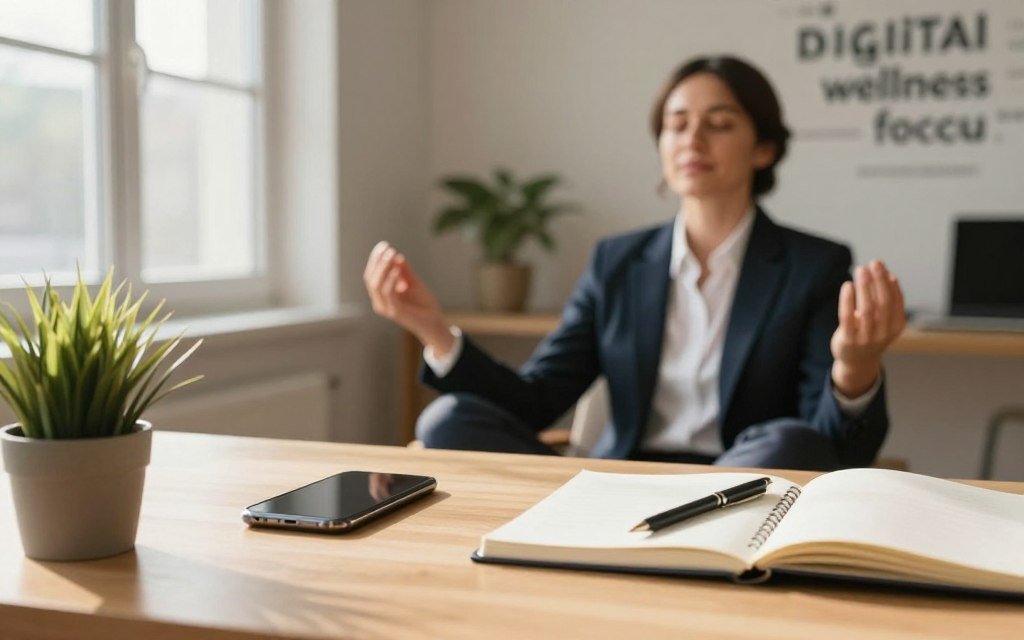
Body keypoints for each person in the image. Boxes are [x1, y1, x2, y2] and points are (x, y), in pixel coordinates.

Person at [364, 55, 906, 471]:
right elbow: (537, 400)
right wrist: (434, 332)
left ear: (763, 148)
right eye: (676, 123)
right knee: (447, 418)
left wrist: (853, 370)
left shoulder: (812, 265)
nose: (692, 138)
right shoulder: (617, 261)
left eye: (719, 123)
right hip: (620, 480)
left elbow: (830, 446)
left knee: (788, 442)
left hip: (740, 488)